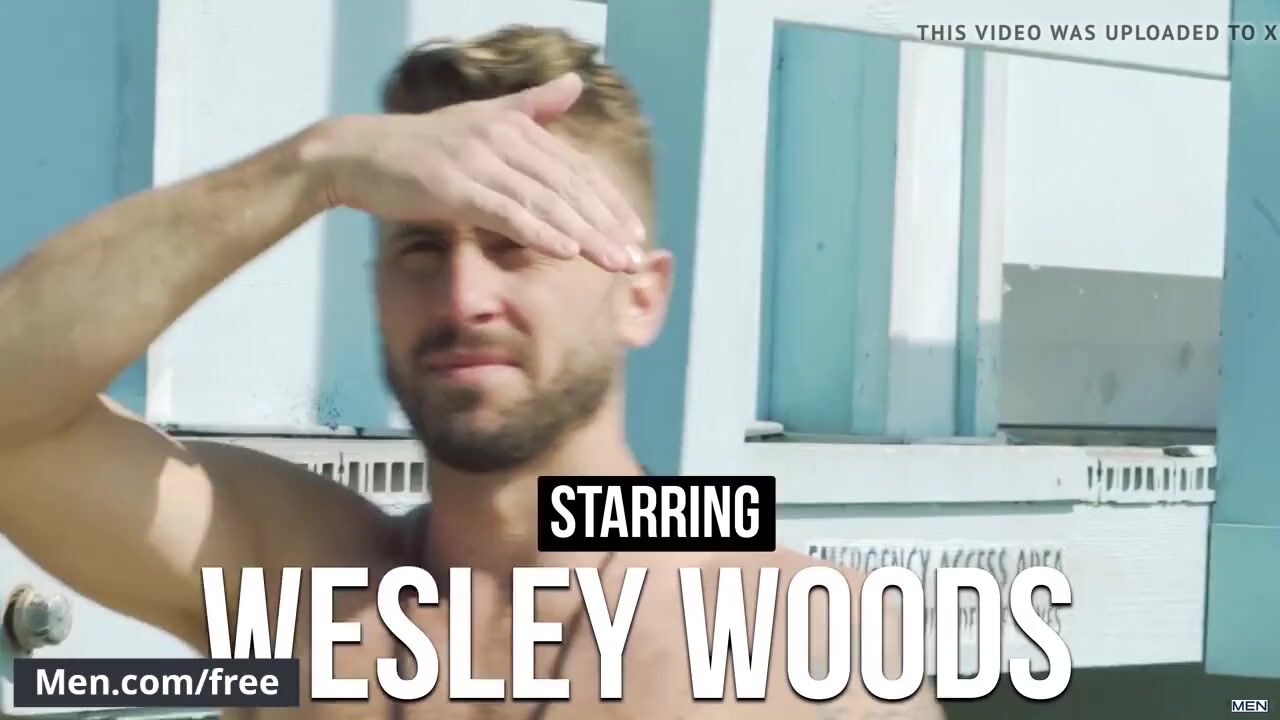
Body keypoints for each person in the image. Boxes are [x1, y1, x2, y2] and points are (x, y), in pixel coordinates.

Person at [0, 25, 943, 719]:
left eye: (517, 242)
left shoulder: (803, 646)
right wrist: (316, 162)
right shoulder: (294, 591)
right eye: (420, 247)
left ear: (640, 298)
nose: (463, 296)